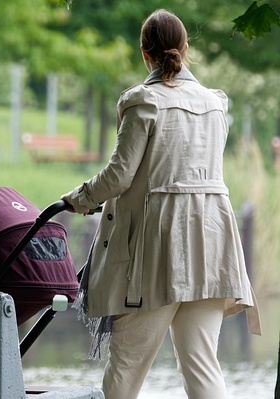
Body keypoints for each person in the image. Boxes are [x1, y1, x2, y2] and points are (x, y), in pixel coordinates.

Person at [61, 9, 261, 399]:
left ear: (144, 53)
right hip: (211, 245)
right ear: (185, 49)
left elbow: (119, 176)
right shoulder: (215, 104)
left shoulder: (143, 102)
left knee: (126, 370)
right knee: (203, 367)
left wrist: (78, 199)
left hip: (157, 251)